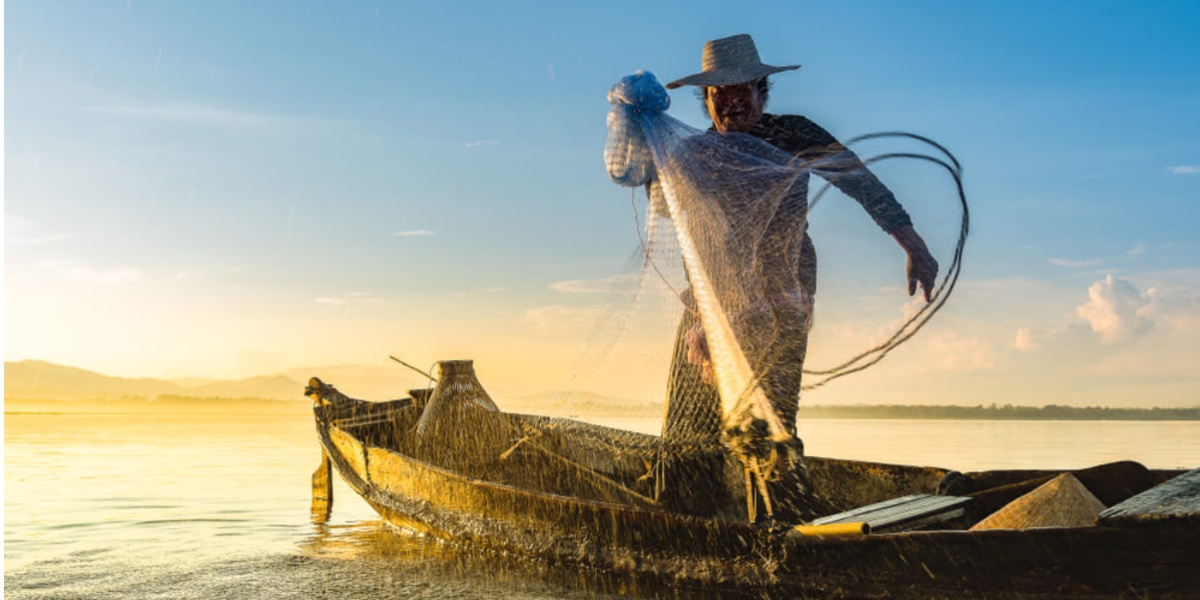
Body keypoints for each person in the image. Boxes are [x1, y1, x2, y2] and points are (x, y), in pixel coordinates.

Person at [656, 34, 938, 522]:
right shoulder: (692, 152)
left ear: (764, 93)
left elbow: (860, 181)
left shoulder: (793, 133)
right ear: (705, 101)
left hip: (780, 296)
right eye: (719, 93)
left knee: (772, 417)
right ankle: (684, 519)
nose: (732, 101)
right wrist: (647, 157)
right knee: (689, 424)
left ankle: (778, 527)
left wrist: (912, 244)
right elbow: (666, 215)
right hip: (710, 301)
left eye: (742, 89)